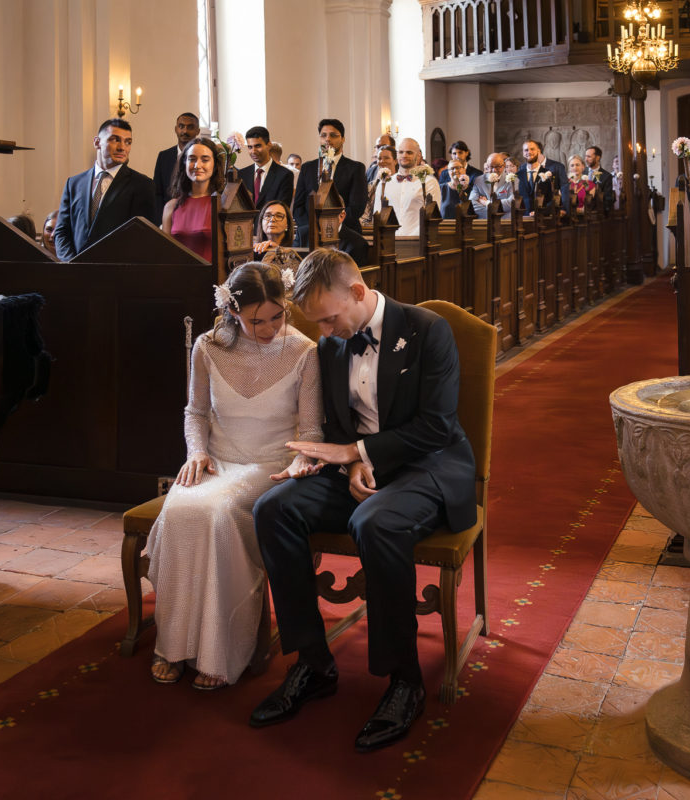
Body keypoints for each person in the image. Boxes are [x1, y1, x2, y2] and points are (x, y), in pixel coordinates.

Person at [249, 248, 475, 753]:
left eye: (329, 318)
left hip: (428, 465)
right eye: (316, 323)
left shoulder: (427, 329)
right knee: (274, 509)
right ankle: (312, 662)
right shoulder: (330, 345)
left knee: (375, 523)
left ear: (356, 292)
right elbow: (337, 425)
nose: (324, 332)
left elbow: (436, 426)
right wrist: (352, 461)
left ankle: (404, 681)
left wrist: (357, 452)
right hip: (362, 465)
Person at [147, 262, 322, 691]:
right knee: (183, 510)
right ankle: (172, 645)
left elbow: (313, 430)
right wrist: (197, 451)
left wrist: (302, 462)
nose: (268, 328)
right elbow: (196, 413)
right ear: (233, 311)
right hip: (217, 462)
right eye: (256, 320)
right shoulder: (208, 347)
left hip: (269, 466)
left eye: (277, 315)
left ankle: (219, 649)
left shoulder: (304, 352)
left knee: (219, 512)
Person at [54, 118, 156, 261]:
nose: (122, 147)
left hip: (116, 275)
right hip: (75, 274)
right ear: (97, 142)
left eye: (128, 142)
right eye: (115, 140)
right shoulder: (74, 183)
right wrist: (71, 264)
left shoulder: (142, 185)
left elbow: (143, 238)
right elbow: (61, 232)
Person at [293, 119, 369, 246]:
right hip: (310, 236)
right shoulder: (308, 168)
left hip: (345, 235)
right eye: (323, 135)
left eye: (333, 135)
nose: (327, 139)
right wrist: (312, 228)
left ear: (343, 139)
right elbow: (298, 207)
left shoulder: (355, 168)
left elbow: (356, 207)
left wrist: (332, 227)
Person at [161, 137, 226, 262]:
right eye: (192, 159)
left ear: (215, 164)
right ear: (184, 163)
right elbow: (166, 254)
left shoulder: (222, 204)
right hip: (178, 276)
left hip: (213, 278)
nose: (197, 165)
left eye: (205, 160)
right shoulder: (171, 207)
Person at [372, 138, 440, 236]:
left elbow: (431, 217)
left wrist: (411, 240)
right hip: (389, 241)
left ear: (418, 155)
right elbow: (377, 214)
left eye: (409, 152)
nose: (404, 155)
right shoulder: (385, 183)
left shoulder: (429, 182)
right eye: (401, 152)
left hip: (418, 241)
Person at [154, 113, 201, 224]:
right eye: (181, 126)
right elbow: (157, 193)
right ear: (176, 129)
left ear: (197, 131)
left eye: (190, 127)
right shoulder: (163, 156)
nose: (185, 131)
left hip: (195, 218)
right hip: (168, 218)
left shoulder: (202, 158)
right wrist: (160, 221)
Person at [238, 126, 293, 209]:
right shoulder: (241, 175)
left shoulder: (284, 175)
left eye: (258, 146)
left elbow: (282, 208)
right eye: (250, 147)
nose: (253, 151)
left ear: (269, 145)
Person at [517, 139, 569, 211]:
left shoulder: (549, 172)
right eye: (526, 150)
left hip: (543, 215)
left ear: (538, 151)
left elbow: (557, 194)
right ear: (523, 153)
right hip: (523, 216)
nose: (529, 152)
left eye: (532, 149)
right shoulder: (519, 172)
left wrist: (564, 209)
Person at [252, 201, 302, 272]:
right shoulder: (254, 251)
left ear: (287, 224)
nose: (272, 220)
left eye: (279, 216)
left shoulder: (297, 248)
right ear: (261, 222)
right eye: (267, 216)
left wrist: (278, 251)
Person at [468, 152, 517, 218]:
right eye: (491, 167)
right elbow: (472, 203)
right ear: (487, 166)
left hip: (505, 222)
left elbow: (512, 202)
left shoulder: (512, 179)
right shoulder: (479, 180)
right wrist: (493, 214)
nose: (494, 170)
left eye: (497, 166)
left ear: (504, 165)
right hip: (485, 222)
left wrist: (487, 203)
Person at [361, 145, 398, 228]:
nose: (382, 161)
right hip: (373, 226)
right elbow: (366, 210)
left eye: (386, 158)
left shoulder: (399, 183)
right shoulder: (371, 185)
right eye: (379, 158)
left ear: (395, 161)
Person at [584, 146, 615, 210]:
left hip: (596, 213)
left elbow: (607, 199)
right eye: (585, 156)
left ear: (597, 158)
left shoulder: (606, 176)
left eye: (589, 156)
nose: (586, 159)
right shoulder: (582, 172)